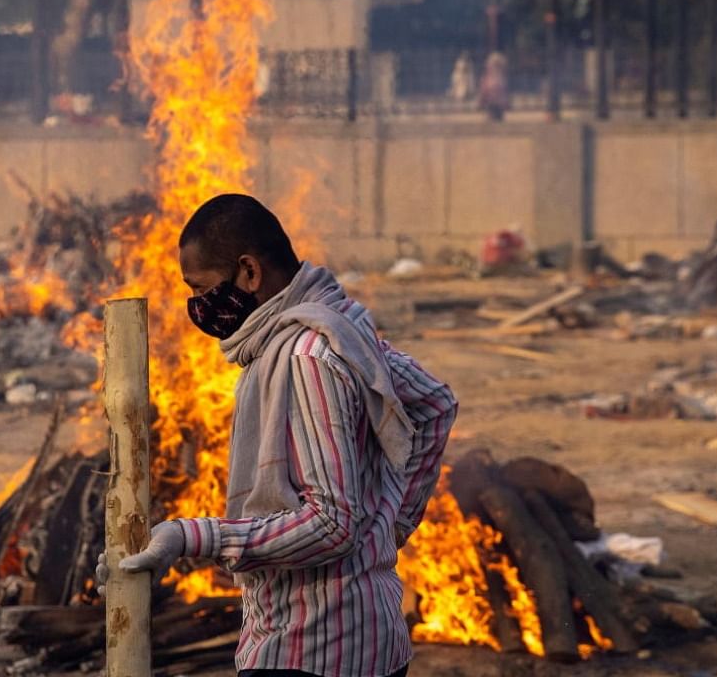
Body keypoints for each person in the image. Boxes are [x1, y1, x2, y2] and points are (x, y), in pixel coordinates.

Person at [97, 194, 458, 677]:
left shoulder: (304, 356)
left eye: (201, 289)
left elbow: (331, 523)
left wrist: (191, 536)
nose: (198, 308)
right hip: (361, 640)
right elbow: (435, 403)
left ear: (249, 272)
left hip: (314, 648)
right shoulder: (337, 324)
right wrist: (389, 525)